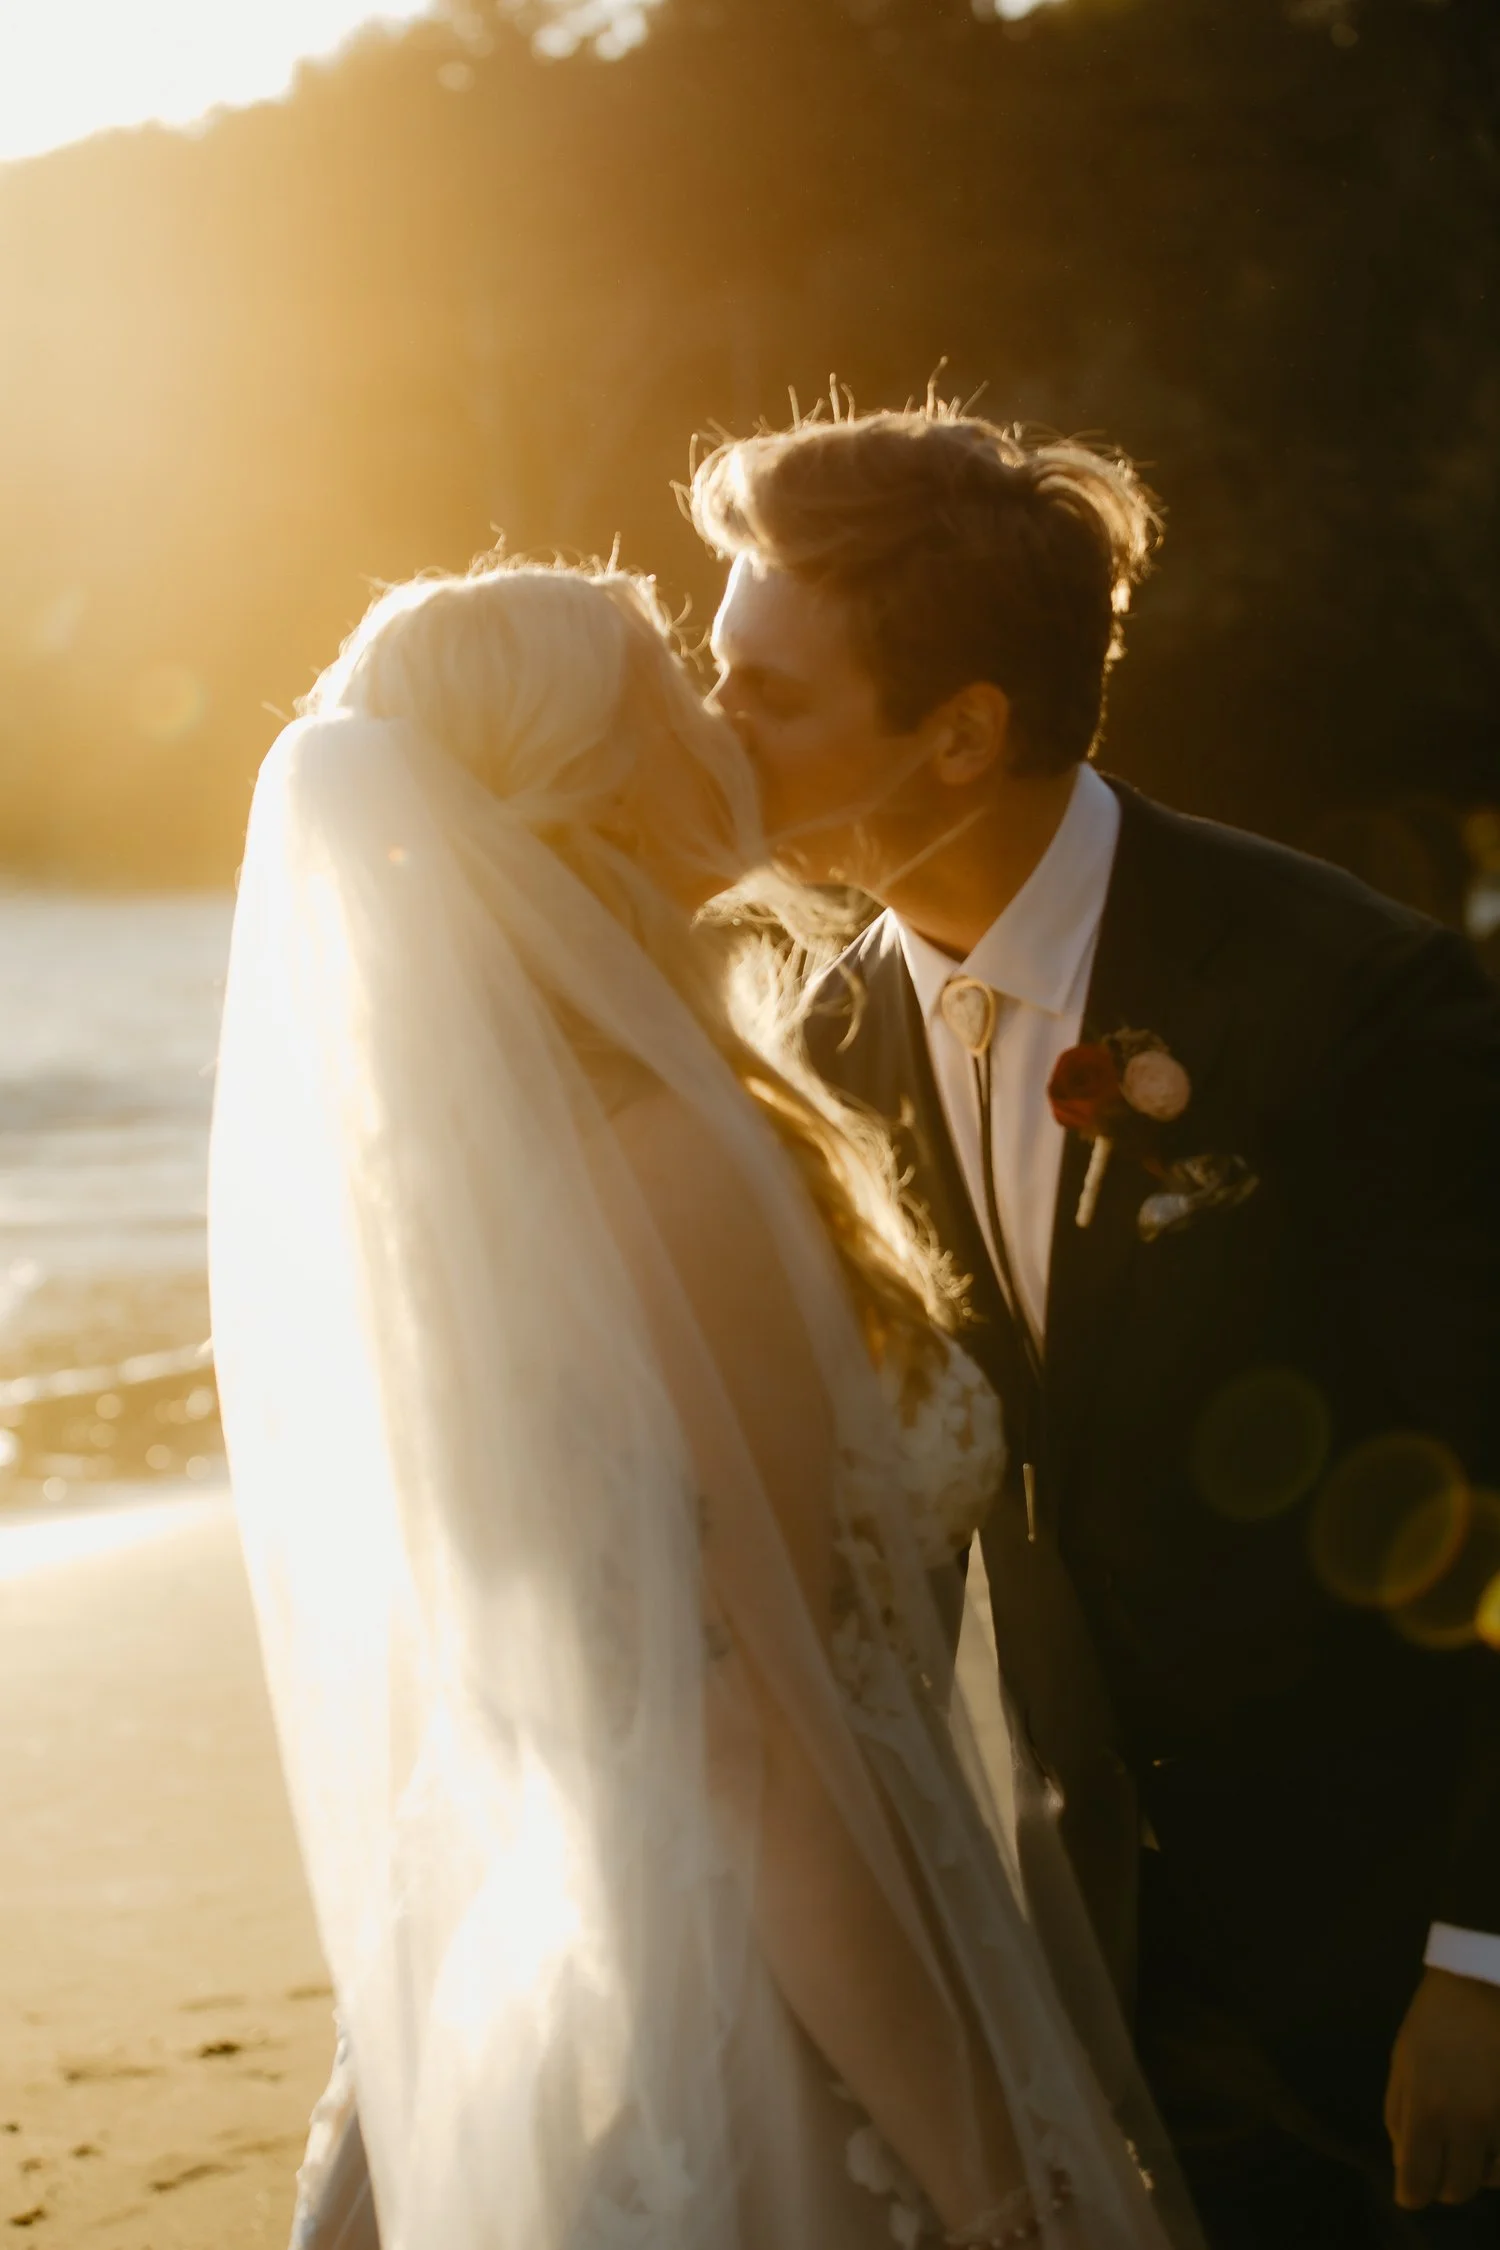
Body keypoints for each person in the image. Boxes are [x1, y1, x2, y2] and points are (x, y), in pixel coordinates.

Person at [208, 561, 1201, 2250]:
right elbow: (751, 1754)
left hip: (567, 1953)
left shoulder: (466, 1176)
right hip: (781, 2005)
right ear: (593, 783)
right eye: (676, 684)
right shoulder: (667, 1171)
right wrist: (985, 2182)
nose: (723, 717)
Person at [690, 402, 1500, 2250]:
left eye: (765, 691)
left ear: (961, 732)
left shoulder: (1346, 1000)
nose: (709, 727)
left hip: (1398, 1967)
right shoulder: (821, 1051)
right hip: (1088, 1971)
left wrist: (1486, 1952)